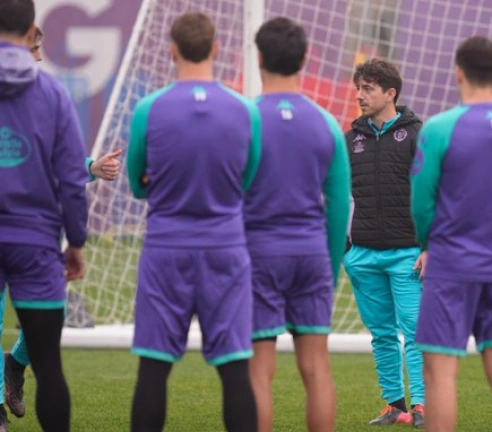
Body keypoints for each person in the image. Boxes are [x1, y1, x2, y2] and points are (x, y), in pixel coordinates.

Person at [126, 12, 260, 432]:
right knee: (235, 368)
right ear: (216, 49)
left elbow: (136, 182)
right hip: (226, 249)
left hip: (166, 250)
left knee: (153, 367)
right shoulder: (245, 110)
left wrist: (161, 184)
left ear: (172, 50)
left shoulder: (148, 109)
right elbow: (248, 179)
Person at [411, 35, 492, 432]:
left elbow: (421, 202)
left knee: (441, 372)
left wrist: (430, 242)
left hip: (452, 264)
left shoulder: (439, 128)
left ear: (458, 72)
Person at [1, 25, 122, 422]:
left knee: (53, 320)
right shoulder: (50, 93)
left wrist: (91, 167)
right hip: (31, 232)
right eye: (34, 47)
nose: (39, 57)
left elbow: (61, 162)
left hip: (33, 234)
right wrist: (77, 241)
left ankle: (15, 365)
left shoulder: (47, 93)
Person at [245, 16, 350, 432]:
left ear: (259, 57)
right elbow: (339, 205)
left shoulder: (244, 118)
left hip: (258, 255)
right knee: (317, 367)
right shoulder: (326, 123)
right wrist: (331, 267)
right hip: (311, 255)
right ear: (304, 59)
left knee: (258, 370)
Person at [0, 0, 89, 430]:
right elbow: (71, 178)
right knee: (49, 364)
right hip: (35, 242)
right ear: (31, 30)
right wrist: (77, 242)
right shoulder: (52, 93)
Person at [343, 58, 425, 427]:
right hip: (362, 256)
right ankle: (395, 405)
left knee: (415, 332)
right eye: (358, 88)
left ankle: (422, 406)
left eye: (368, 89)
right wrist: (346, 251)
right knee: (381, 335)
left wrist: (429, 246)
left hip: (407, 254)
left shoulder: (417, 135)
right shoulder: (350, 140)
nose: (360, 95)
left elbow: (433, 194)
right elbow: (337, 196)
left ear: (390, 93)